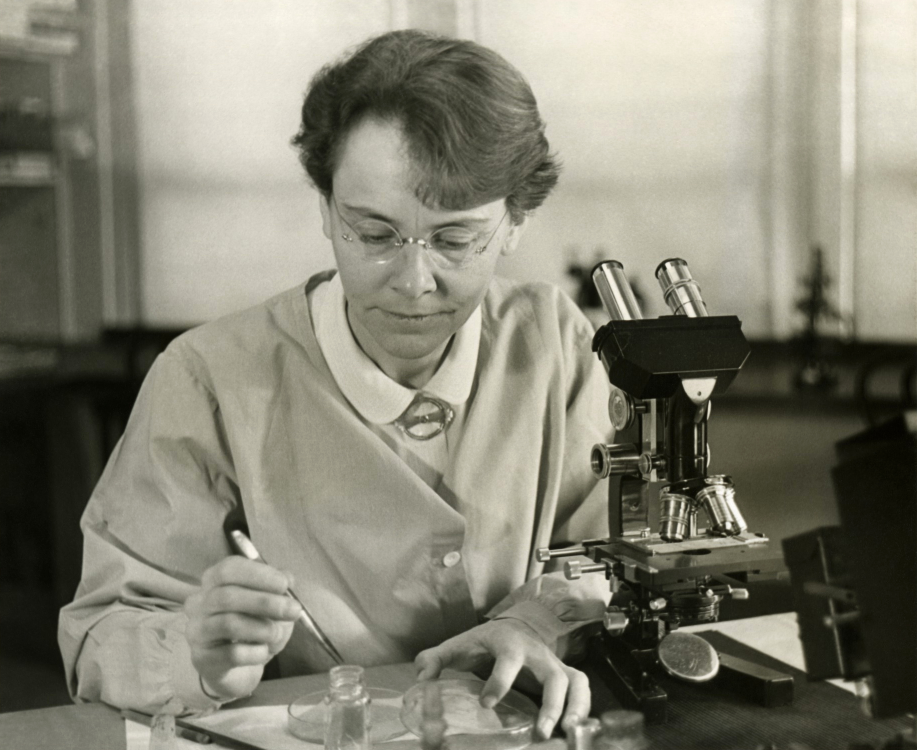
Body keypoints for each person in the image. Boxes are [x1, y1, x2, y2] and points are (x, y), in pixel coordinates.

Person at [58, 29, 612, 740]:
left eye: (454, 240)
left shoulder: (555, 343)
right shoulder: (206, 380)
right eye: (374, 235)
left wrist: (533, 622)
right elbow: (100, 636)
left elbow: (609, 558)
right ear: (324, 206)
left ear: (514, 223)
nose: (413, 283)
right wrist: (195, 654)